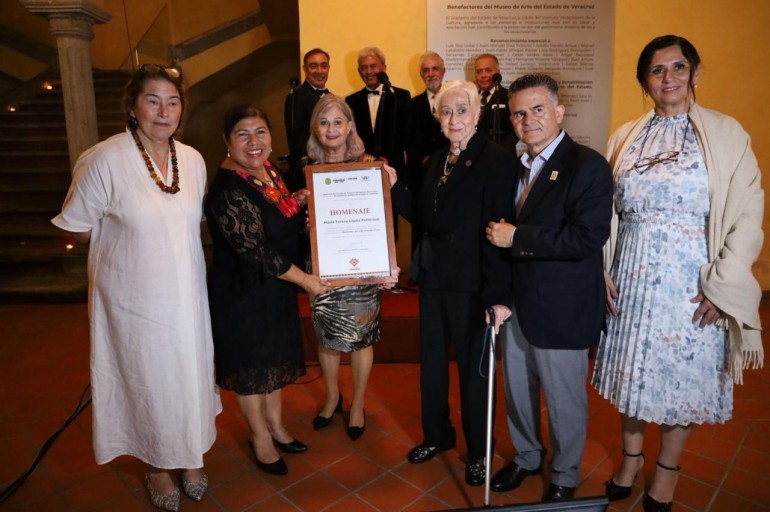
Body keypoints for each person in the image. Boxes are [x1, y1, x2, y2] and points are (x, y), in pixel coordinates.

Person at [591, 35, 764, 512]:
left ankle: (666, 471)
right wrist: (601, 267)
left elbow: (748, 212)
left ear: (695, 72)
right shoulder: (625, 136)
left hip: (693, 281)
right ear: (644, 81)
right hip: (631, 272)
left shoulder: (726, 134)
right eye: (657, 70)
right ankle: (630, 459)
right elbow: (604, 208)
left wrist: (725, 285)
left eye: (678, 67)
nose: (668, 77)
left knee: (681, 379)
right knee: (631, 373)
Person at [52, 64, 221, 511]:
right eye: (153, 101)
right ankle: (156, 465)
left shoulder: (193, 160)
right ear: (133, 107)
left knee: (187, 376)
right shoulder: (104, 159)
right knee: (147, 380)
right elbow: (78, 228)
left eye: (173, 102)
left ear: (182, 109)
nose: (164, 112)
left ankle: (190, 455)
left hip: (186, 296)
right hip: (133, 300)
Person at [485, 74, 613, 502]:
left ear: (559, 112)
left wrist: (516, 237)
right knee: (518, 392)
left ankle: (564, 474)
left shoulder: (587, 165)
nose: (528, 120)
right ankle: (526, 456)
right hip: (517, 304)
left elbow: (586, 238)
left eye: (537, 109)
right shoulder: (515, 165)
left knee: (563, 399)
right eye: (519, 113)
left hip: (561, 307)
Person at [388, 80, 515, 487]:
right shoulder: (438, 159)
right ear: (437, 118)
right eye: (446, 111)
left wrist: (498, 295)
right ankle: (437, 435)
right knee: (431, 366)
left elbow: (498, 231)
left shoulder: (497, 160)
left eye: (462, 110)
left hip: (474, 284)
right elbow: (425, 217)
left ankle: (479, 451)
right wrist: (393, 186)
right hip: (434, 280)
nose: (454, 118)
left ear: (477, 114)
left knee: (474, 375)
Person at [204, 106, 332, 477]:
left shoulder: (268, 170)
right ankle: (259, 438)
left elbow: (276, 211)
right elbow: (256, 250)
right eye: (242, 134)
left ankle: (276, 426)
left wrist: (298, 201)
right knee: (253, 368)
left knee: (274, 361)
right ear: (227, 141)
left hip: (275, 289)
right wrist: (307, 281)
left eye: (260, 131)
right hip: (243, 293)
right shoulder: (228, 189)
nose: (253, 142)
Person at [304, 94, 397, 440]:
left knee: (361, 337)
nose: (331, 129)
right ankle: (332, 397)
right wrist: (303, 215)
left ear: (349, 126)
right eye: (324, 122)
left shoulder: (370, 167)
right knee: (327, 337)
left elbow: (384, 218)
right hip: (323, 266)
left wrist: (389, 184)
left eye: (337, 121)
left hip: (362, 266)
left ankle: (357, 403)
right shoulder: (305, 169)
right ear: (315, 128)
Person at [345, 46, 411, 179]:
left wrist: (389, 159)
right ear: (359, 71)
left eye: (373, 66)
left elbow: (406, 134)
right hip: (363, 170)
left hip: (395, 169)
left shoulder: (400, 96)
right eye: (364, 67)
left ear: (384, 68)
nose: (369, 71)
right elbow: (350, 137)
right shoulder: (351, 101)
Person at [406, 51, 448, 254]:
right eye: (426, 70)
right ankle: (418, 267)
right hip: (421, 176)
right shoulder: (412, 105)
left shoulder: (454, 100)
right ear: (421, 74)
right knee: (420, 226)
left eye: (435, 68)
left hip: (450, 173)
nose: (431, 74)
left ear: (443, 71)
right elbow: (408, 140)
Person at [284, 48, 331, 182]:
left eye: (324, 66)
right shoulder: (296, 96)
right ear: (305, 69)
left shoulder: (331, 97)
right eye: (313, 66)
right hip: (310, 168)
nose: (319, 71)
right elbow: (296, 136)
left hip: (330, 164)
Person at [474, 53, 516, 151]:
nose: (483, 75)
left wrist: (498, 152)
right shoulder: (470, 98)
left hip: (502, 155)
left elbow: (515, 130)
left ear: (498, 72)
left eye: (488, 70)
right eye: (479, 71)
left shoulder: (510, 97)